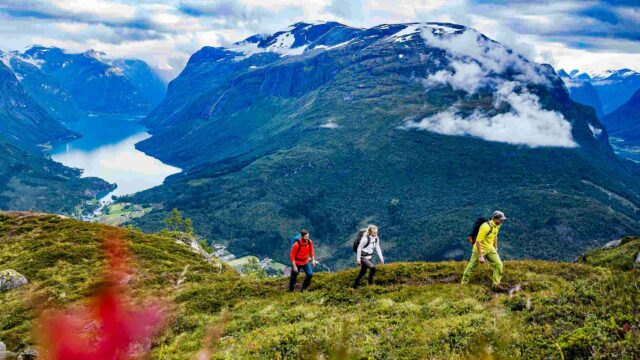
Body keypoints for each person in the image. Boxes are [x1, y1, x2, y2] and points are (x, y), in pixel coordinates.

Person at [461, 210, 506, 290]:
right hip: (479, 249)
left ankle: (496, 284)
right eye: (500, 219)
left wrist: (495, 247)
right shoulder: (485, 227)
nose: (502, 221)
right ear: (495, 218)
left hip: (490, 248)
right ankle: (464, 283)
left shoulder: (498, 226)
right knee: (472, 266)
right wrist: (481, 256)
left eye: (502, 220)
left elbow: (495, 236)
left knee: (499, 265)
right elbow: (478, 241)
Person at [354, 224, 384, 288]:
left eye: (376, 232)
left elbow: (377, 248)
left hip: (369, 257)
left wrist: (381, 258)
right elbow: (359, 248)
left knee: (363, 272)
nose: (376, 234)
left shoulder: (376, 238)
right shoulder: (365, 239)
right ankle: (370, 284)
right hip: (363, 257)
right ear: (370, 232)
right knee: (373, 268)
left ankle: (355, 285)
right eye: (374, 232)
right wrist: (358, 260)